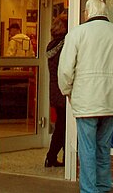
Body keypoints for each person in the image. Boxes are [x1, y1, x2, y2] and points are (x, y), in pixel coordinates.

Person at [58, 0, 113, 193]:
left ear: (87, 13)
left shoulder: (77, 34)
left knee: (87, 150)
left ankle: (89, 190)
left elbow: (66, 70)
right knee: (103, 148)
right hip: (111, 100)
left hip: (86, 101)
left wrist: (67, 91)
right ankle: (103, 188)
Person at [45, 14, 68, 167]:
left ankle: (57, 157)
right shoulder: (65, 45)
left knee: (62, 123)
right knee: (63, 125)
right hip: (63, 88)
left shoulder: (51, 45)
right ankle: (52, 156)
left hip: (54, 88)